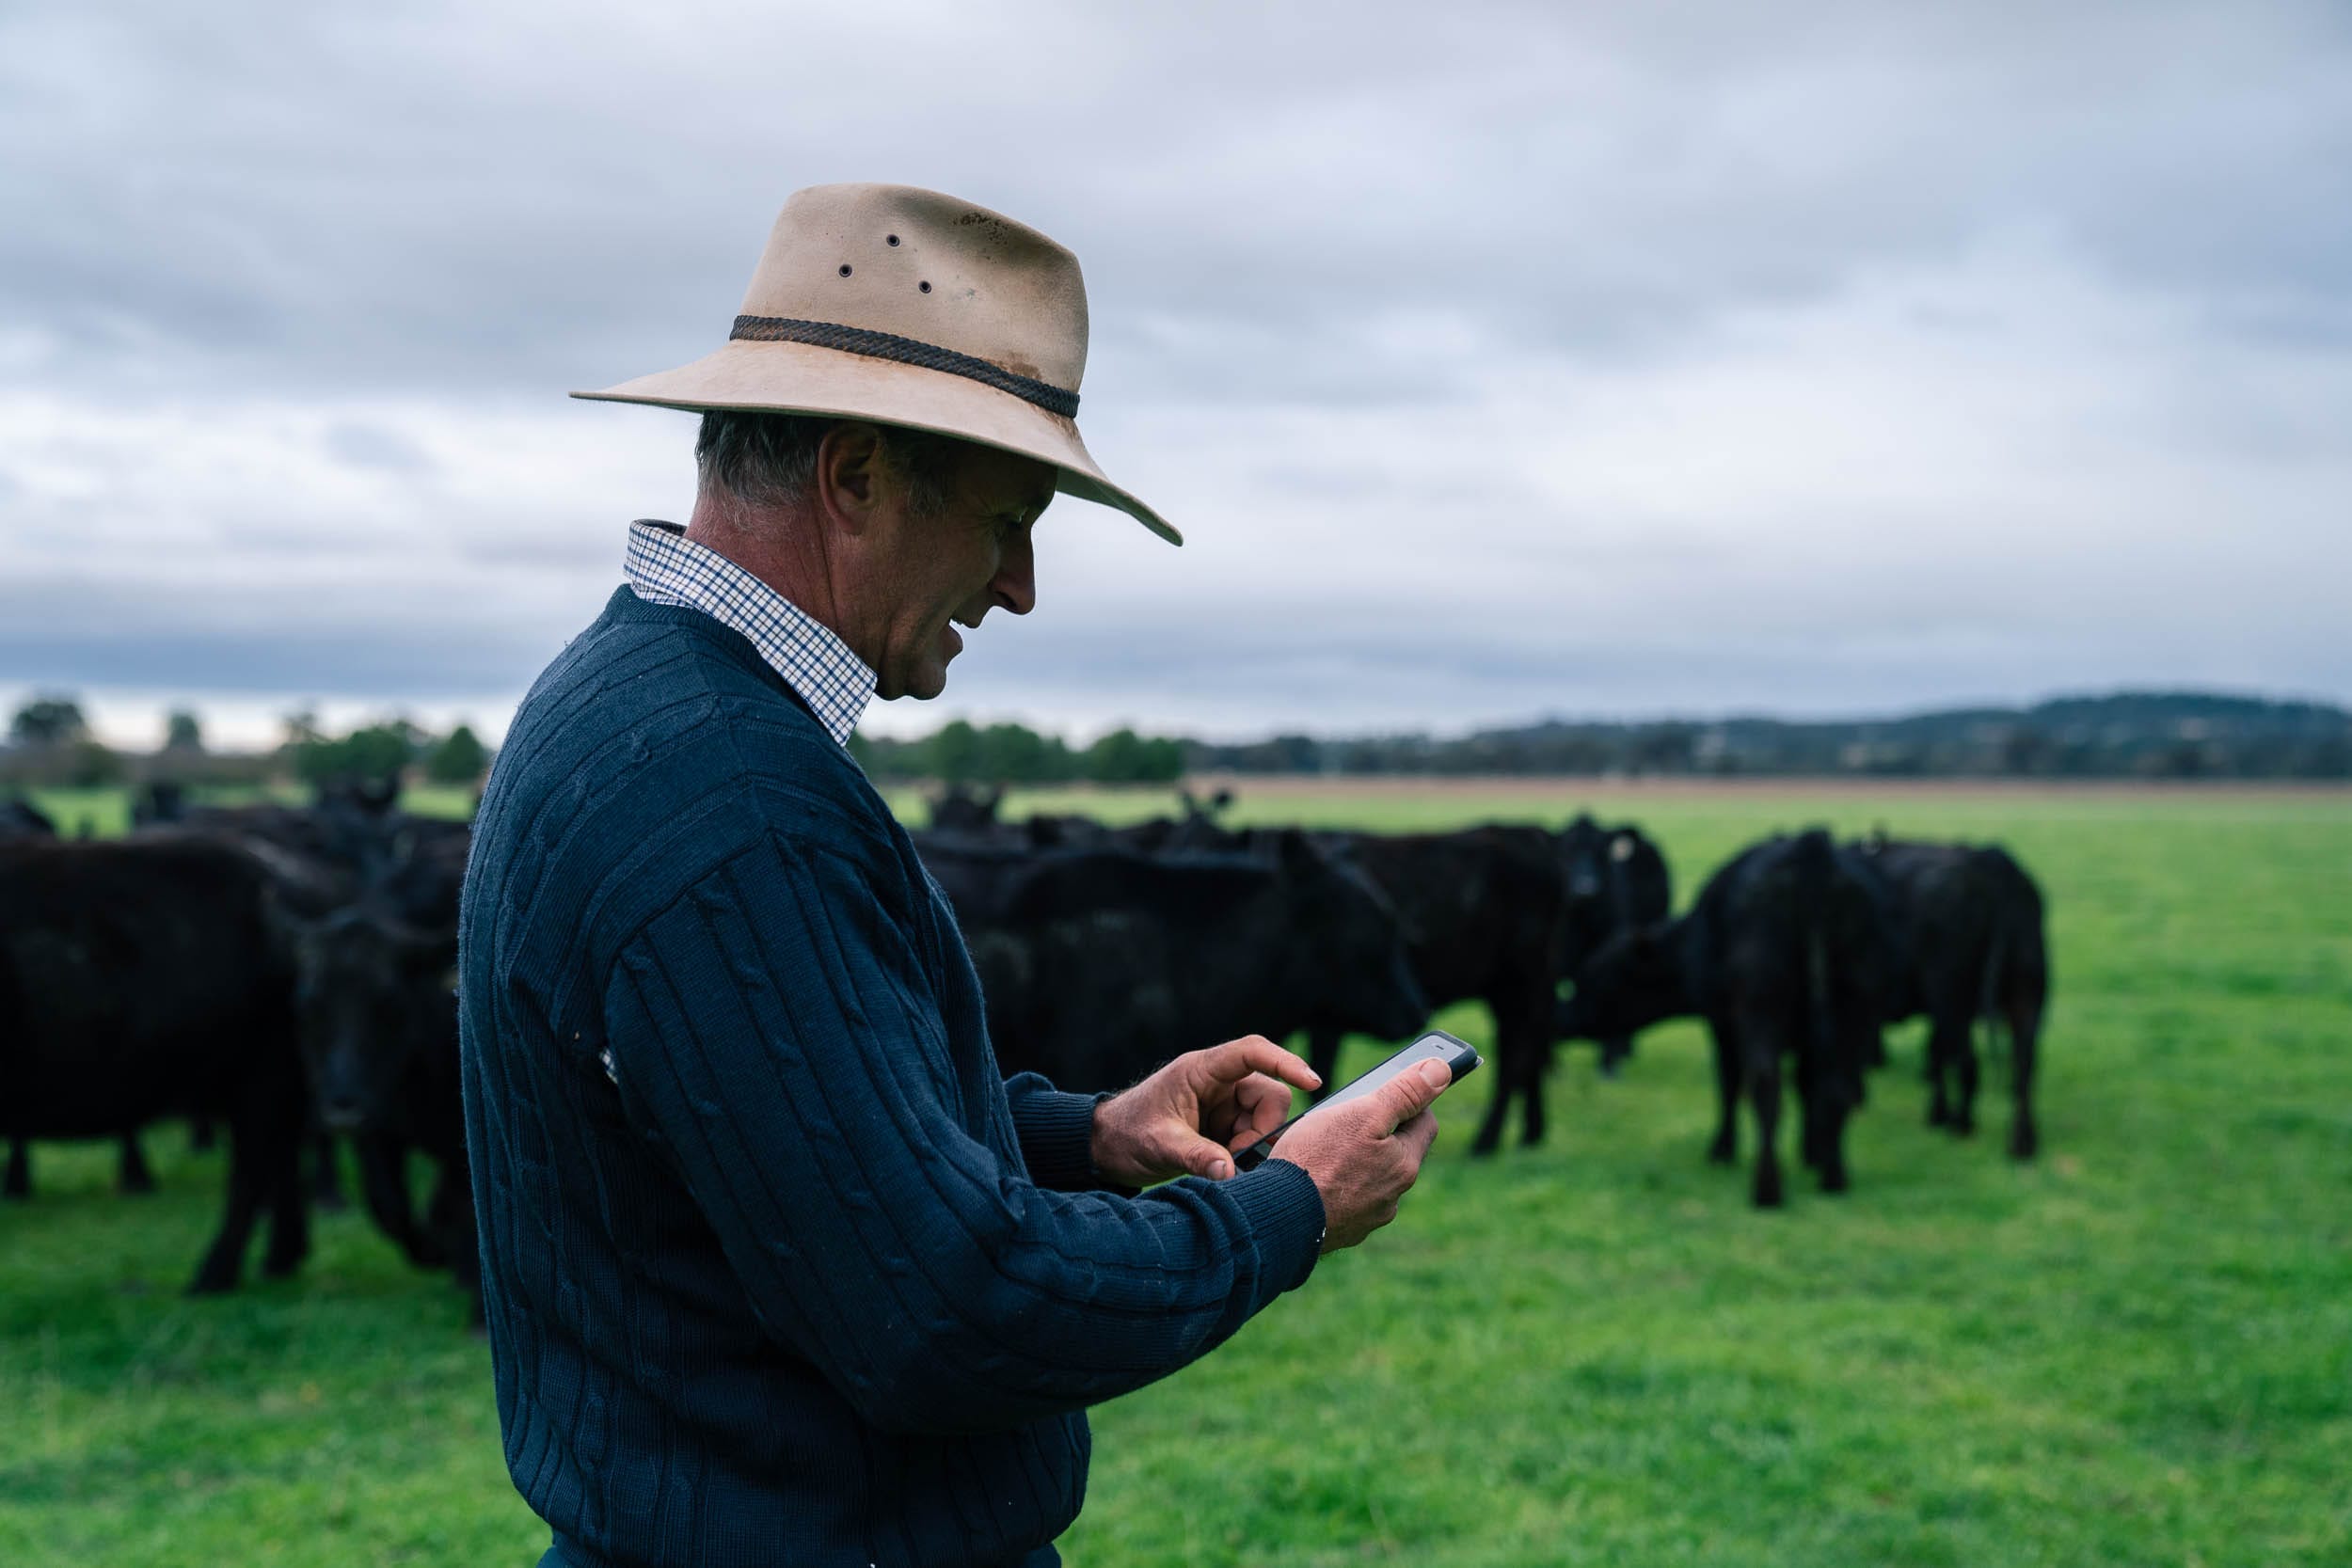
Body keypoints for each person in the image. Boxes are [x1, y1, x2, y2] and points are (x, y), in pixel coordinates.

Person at [458, 182, 1452, 1568]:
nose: (1023, 585)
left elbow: (762, 1135)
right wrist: (1286, 1211)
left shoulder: (629, 705)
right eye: (1010, 517)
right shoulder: (737, 800)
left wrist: (1083, 1136)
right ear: (856, 476)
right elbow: (944, 1313)